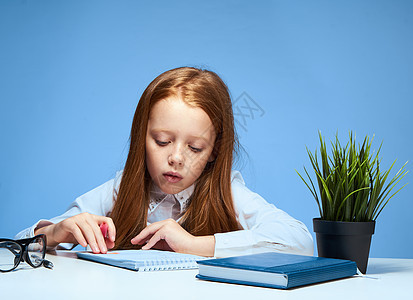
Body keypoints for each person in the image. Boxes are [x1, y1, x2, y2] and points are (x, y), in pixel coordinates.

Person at [16, 67, 313, 258]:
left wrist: (195, 245)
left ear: (214, 150)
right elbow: (15, 246)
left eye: (195, 147)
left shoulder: (228, 194)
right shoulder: (121, 189)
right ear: (141, 137)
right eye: (161, 141)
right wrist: (56, 232)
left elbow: (300, 241)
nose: (176, 158)